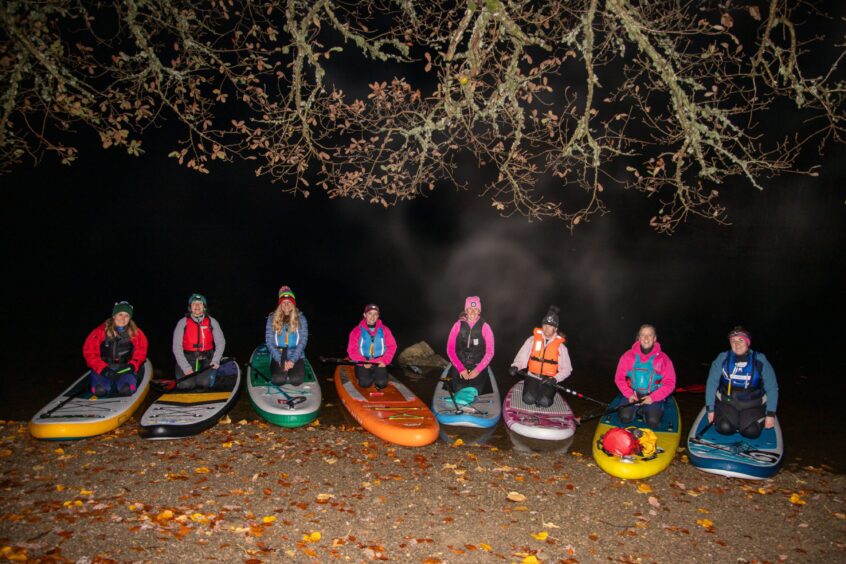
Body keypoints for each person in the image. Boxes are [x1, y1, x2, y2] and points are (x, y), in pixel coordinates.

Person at [705, 327, 778, 439]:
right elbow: (711, 383)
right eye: (733, 341)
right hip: (728, 402)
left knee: (751, 432)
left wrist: (771, 414)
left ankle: (753, 420)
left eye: (741, 340)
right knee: (725, 427)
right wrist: (710, 409)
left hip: (753, 404)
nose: (737, 344)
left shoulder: (760, 359)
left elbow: (772, 387)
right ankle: (729, 418)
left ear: (747, 342)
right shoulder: (722, 358)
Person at [613, 324, 676, 429]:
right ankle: (637, 410)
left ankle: (648, 410)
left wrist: (653, 397)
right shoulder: (628, 356)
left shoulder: (663, 359)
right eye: (643, 335)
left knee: (653, 421)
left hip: (653, 395)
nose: (646, 338)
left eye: (650, 335)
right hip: (633, 394)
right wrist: (629, 394)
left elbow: (670, 383)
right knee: (625, 417)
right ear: (639, 338)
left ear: (655, 338)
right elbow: (618, 378)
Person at [509, 306, 573, 407]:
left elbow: (567, 369)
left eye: (550, 326)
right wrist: (516, 366)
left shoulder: (561, 347)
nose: (547, 328)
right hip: (532, 376)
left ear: (555, 328)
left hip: (549, 380)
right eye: (545, 325)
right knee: (528, 399)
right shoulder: (532, 340)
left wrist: (555, 379)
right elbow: (522, 357)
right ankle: (530, 390)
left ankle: (548, 394)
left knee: (545, 402)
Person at [82, 301, 148, 396]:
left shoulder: (137, 333)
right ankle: (106, 384)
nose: (123, 319)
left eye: (127, 316)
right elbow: (89, 353)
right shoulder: (99, 332)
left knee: (126, 390)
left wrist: (133, 365)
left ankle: (122, 384)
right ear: (114, 316)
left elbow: (141, 352)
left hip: (125, 369)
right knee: (100, 391)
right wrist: (104, 370)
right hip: (104, 368)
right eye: (120, 314)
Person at [444, 296, 495, 404]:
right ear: (466, 310)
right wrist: (460, 369)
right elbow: (450, 349)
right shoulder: (457, 325)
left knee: (475, 394)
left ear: (479, 311)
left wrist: (477, 370)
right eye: (470, 309)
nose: (472, 312)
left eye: (476, 309)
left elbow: (490, 352)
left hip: (478, 366)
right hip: (460, 365)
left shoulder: (485, 327)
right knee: (458, 390)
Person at [171, 293, 227, 390]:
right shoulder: (182, 322)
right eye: (194, 304)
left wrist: (216, 359)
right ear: (190, 307)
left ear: (204, 307)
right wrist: (186, 367)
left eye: (200, 303)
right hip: (188, 358)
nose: (197, 306)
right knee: (186, 385)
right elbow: (176, 347)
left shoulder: (212, 322)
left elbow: (220, 342)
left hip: (207, 359)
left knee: (204, 383)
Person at [265, 285, 309, 386]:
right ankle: (281, 370)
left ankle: (292, 370)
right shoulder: (272, 318)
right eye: (283, 302)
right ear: (280, 304)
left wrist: (292, 361)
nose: (286, 304)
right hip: (278, 352)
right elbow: (269, 341)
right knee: (278, 380)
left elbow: (303, 341)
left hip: (296, 352)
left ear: (293, 304)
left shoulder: (301, 318)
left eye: (289, 302)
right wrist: (280, 359)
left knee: (297, 380)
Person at [346, 304, 397, 389]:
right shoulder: (356, 330)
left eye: (375, 314)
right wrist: (362, 362)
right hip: (363, 361)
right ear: (365, 315)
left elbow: (392, 346)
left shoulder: (385, 330)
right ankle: (360, 372)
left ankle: (376, 375)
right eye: (370, 313)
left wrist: (385, 360)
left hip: (379, 361)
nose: (372, 316)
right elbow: (351, 350)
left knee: (382, 384)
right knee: (365, 384)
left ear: (378, 316)